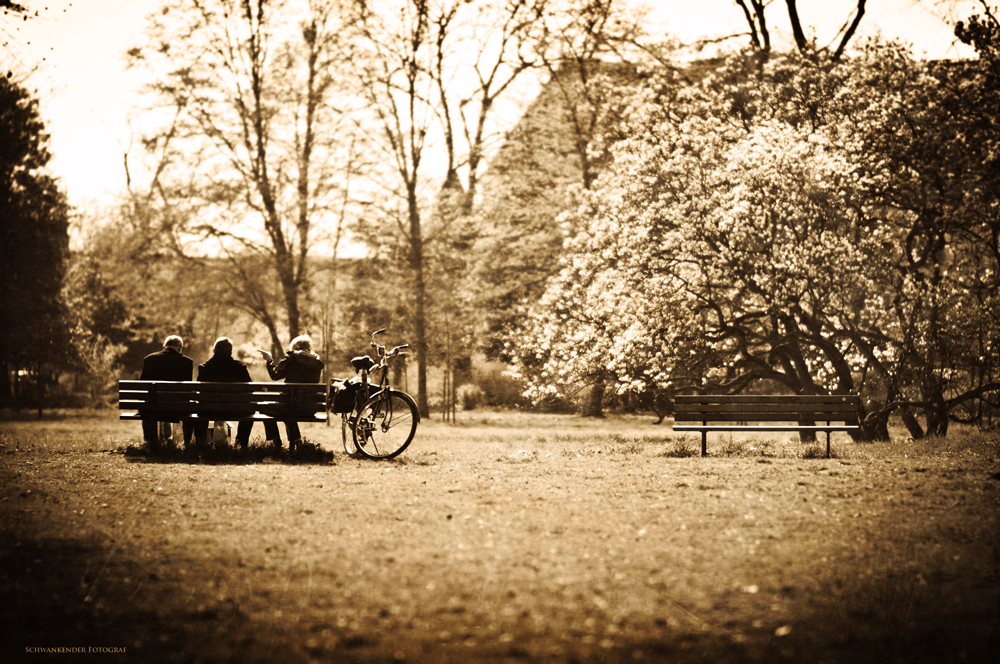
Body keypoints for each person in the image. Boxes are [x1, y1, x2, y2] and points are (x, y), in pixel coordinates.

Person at [259, 334, 324, 450]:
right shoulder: (316, 362)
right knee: (290, 405)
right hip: (309, 408)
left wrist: (269, 360)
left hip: (291, 407)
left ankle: (276, 441)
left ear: (295, 347)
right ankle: (297, 441)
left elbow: (275, 375)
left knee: (266, 407)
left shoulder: (291, 359)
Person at [194, 337, 258, 449]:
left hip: (209, 411)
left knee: (200, 407)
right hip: (237, 411)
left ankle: (201, 444)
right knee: (250, 409)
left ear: (214, 351)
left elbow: (200, 391)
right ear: (230, 351)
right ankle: (240, 443)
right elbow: (249, 390)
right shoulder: (240, 367)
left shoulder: (204, 368)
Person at [139, 335, 194, 449]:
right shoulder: (186, 361)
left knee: (147, 407)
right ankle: (187, 444)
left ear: (164, 346)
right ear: (179, 348)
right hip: (177, 409)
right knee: (190, 409)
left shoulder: (149, 359)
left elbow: (142, 384)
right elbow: (187, 388)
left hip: (152, 408)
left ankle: (149, 442)